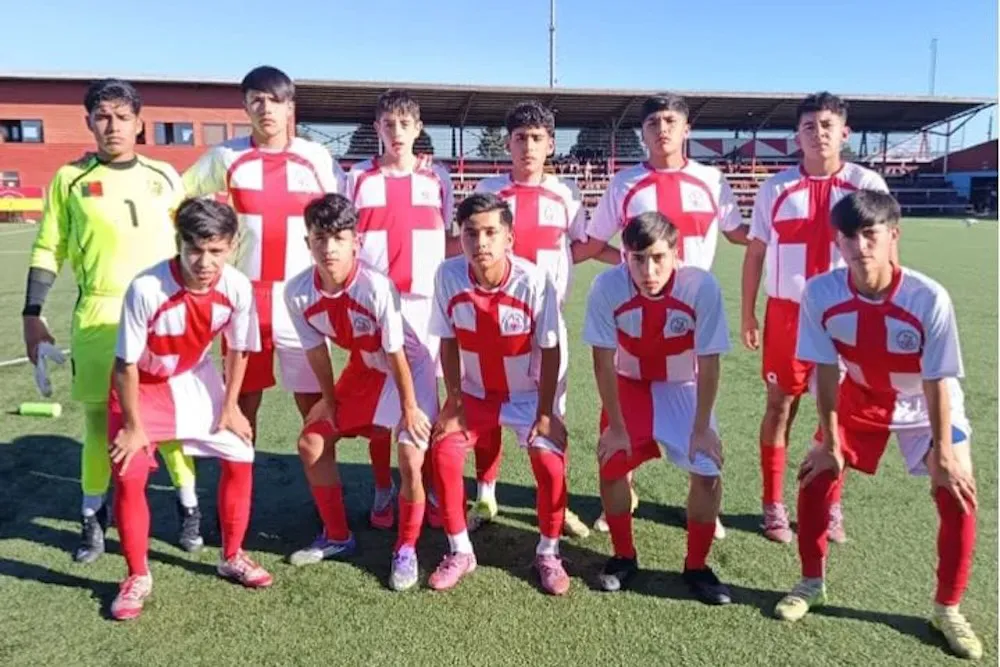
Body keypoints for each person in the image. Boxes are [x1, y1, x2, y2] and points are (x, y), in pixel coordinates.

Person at [774, 190, 981, 661]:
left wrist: (945, 452)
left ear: (893, 236)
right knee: (815, 475)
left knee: (958, 491)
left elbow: (938, 378)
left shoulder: (928, 297)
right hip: (860, 393)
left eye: (871, 234)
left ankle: (947, 608)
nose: (860, 245)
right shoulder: (822, 292)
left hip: (927, 403)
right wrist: (828, 439)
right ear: (838, 242)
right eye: (850, 236)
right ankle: (810, 582)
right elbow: (825, 371)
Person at [22, 78, 201, 563]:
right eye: (103, 116)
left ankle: (188, 508)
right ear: (89, 123)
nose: (112, 126)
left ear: (139, 124)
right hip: (100, 314)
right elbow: (47, 249)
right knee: (101, 423)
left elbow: (193, 242)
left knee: (169, 424)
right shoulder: (70, 180)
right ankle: (92, 518)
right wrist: (32, 313)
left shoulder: (165, 176)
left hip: (162, 315)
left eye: (122, 117)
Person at [585, 93, 745, 535]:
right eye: (653, 122)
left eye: (671, 120)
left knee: (695, 410)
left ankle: (701, 508)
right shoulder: (625, 183)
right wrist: (630, 269)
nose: (662, 129)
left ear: (687, 128)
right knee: (621, 394)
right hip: (635, 313)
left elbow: (739, 234)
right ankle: (621, 490)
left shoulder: (712, 180)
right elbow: (596, 242)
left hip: (691, 314)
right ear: (643, 131)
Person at [108, 198, 272, 621]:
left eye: (215, 250)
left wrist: (232, 406)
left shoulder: (236, 287)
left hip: (193, 378)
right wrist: (132, 426)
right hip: (141, 386)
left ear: (232, 246)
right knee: (129, 473)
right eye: (194, 249)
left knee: (241, 453)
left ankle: (232, 556)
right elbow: (124, 364)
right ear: (179, 243)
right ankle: (137, 575)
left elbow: (238, 349)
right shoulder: (147, 288)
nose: (204, 261)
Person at [741, 92, 889, 544]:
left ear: (844, 132)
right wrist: (748, 311)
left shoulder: (867, 184)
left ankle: (829, 505)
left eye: (827, 125)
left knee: (838, 415)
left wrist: (881, 311)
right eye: (809, 126)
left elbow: (886, 253)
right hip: (788, 313)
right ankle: (773, 504)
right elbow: (755, 252)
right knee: (780, 405)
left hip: (847, 315)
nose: (818, 133)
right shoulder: (776, 188)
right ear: (797, 136)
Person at [183, 65, 345, 446]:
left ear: (291, 108)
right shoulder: (226, 156)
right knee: (241, 404)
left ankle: (323, 499)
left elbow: (345, 212)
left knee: (315, 405)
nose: (266, 108)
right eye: (257, 100)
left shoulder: (315, 157)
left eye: (276, 100)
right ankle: (241, 497)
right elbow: (180, 195)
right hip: (245, 298)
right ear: (245, 107)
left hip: (301, 298)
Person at [283, 194, 436, 592]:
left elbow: (397, 353)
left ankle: (406, 548)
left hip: (408, 369)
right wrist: (330, 402)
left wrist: (410, 409)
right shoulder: (298, 291)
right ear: (308, 242)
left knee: (409, 450)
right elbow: (317, 352)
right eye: (320, 237)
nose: (329, 247)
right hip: (363, 368)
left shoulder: (376, 287)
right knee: (311, 443)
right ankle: (337, 536)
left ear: (357, 241)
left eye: (338, 237)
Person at [583, 211, 732, 605]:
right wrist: (615, 425)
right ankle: (623, 556)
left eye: (658, 257)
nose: (648, 270)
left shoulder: (701, 286)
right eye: (637, 258)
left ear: (675, 252)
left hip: (683, 385)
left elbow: (711, 360)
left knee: (707, 470)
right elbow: (602, 360)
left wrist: (702, 426)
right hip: (629, 384)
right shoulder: (606, 286)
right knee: (612, 464)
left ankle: (697, 566)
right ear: (625, 256)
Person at [469, 100, 601, 538]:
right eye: (520, 137)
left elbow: (581, 246)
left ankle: (556, 506)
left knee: (550, 416)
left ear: (550, 144)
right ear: (508, 143)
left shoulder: (567, 194)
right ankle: (485, 493)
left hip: (546, 326)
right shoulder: (489, 190)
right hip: (490, 322)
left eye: (537, 138)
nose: (528, 146)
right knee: (487, 410)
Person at [427, 193, 570, 595]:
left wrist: (546, 412)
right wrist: (453, 401)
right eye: (471, 233)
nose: (481, 243)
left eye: (492, 232)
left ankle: (548, 551)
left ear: (510, 237)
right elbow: (448, 340)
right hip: (475, 394)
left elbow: (551, 347)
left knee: (550, 463)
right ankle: (460, 550)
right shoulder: (448, 275)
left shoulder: (534, 279)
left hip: (528, 396)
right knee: (444, 452)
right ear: (460, 236)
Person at [346, 89, 454, 529]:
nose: (396, 133)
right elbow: (346, 239)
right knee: (379, 407)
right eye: (388, 124)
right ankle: (382, 487)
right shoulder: (357, 178)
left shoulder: (437, 178)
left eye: (405, 124)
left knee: (425, 405)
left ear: (418, 128)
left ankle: (424, 489)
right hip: (376, 306)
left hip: (425, 305)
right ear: (377, 129)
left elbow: (446, 235)